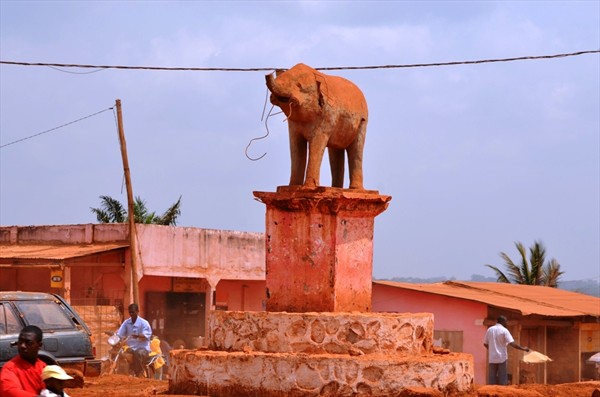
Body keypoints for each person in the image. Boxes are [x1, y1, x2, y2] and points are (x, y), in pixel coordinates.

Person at [0, 325, 47, 397]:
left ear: (39, 345)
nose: (22, 346)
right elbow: (9, 391)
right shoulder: (10, 368)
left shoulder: (43, 367)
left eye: (28, 343)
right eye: (20, 341)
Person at [483, 315, 530, 385]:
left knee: (492, 379)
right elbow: (512, 344)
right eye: (506, 322)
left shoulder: (490, 330)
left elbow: (485, 343)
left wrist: (491, 350)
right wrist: (523, 348)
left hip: (492, 358)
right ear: (503, 322)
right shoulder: (504, 330)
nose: (506, 323)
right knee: (502, 379)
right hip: (502, 358)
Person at [116, 303, 152, 377]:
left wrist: (138, 335)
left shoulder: (144, 323)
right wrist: (115, 337)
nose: (131, 314)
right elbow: (120, 333)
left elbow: (146, 334)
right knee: (121, 353)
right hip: (131, 348)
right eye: (130, 312)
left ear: (138, 311)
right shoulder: (126, 322)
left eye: (133, 312)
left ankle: (139, 372)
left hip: (143, 348)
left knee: (137, 353)